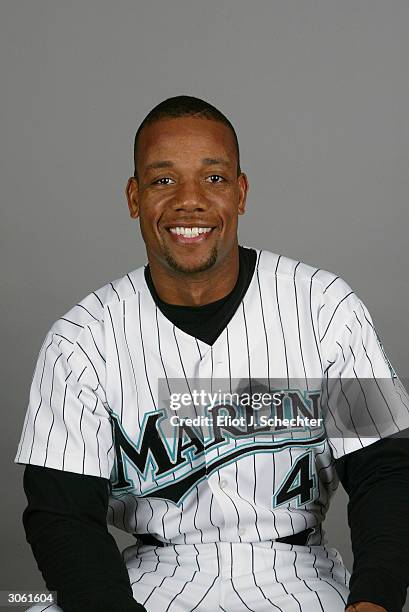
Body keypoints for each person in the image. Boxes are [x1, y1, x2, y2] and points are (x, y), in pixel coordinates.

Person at [16, 95, 409, 612]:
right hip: (144, 579)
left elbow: (387, 470)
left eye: (214, 178)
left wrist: (375, 600)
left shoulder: (325, 307)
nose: (190, 201)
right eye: (163, 180)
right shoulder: (82, 338)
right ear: (134, 198)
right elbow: (61, 512)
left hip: (298, 575)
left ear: (240, 193)